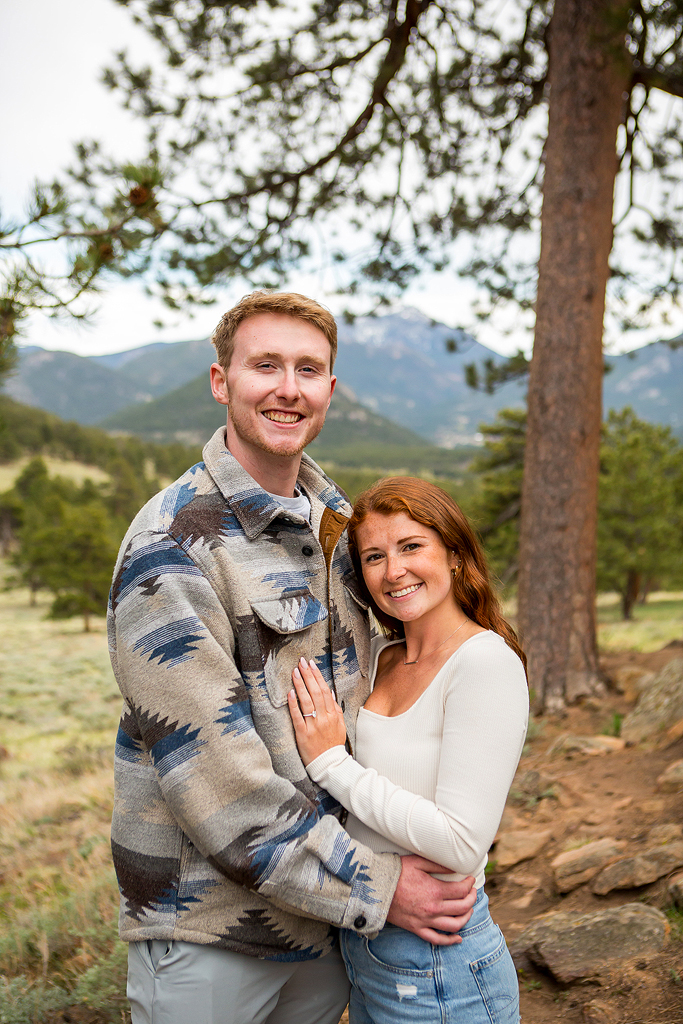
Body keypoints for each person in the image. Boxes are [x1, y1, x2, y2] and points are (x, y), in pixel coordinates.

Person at [108, 292, 477, 1024]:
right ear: (221, 381)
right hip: (213, 934)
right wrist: (378, 885)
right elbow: (217, 782)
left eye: (308, 369)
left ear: (330, 390)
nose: (288, 388)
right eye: (265, 365)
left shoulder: (336, 522)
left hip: (323, 928)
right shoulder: (172, 547)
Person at [288, 476, 529, 1024]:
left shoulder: (484, 663)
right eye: (374, 556)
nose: (393, 571)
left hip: (441, 963)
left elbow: (462, 844)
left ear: (456, 555)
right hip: (369, 947)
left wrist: (332, 765)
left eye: (411, 546)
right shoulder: (379, 659)